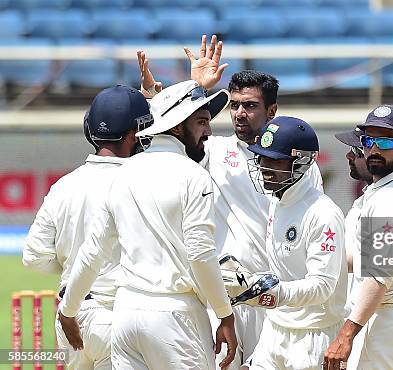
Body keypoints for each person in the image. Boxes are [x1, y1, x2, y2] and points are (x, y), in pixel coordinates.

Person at [138, 35, 324, 369]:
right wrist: (191, 87)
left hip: (278, 297)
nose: (239, 113)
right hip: (225, 298)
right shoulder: (213, 150)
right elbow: (166, 136)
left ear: (272, 111)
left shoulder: (302, 168)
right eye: (235, 105)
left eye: (250, 106)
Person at [57, 36, 238, 370]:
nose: (209, 132)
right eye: (201, 122)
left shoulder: (124, 173)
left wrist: (68, 309)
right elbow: (200, 254)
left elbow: (93, 249)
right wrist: (225, 315)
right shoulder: (193, 177)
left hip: (127, 315)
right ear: (178, 126)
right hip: (176, 317)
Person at [23, 86, 151, 370]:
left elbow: (33, 257)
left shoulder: (64, 185)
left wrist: (71, 263)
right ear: (135, 134)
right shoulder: (142, 183)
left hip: (71, 316)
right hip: (117, 314)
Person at [220, 116, 347, 370]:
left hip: (313, 335)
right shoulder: (277, 202)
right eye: (261, 158)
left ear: (301, 163)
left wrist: (274, 293)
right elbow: (284, 273)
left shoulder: (323, 213)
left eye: (274, 160)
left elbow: (323, 285)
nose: (264, 166)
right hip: (276, 328)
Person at [324, 105, 393, 370]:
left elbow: (380, 273)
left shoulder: (389, 199)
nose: (373, 149)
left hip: (386, 320)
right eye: (368, 141)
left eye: (385, 141)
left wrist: (346, 334)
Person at [333, 127, 373, 308]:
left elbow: (376, 264)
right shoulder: (366, 199)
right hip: (362, 314)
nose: (349, 156)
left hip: (377, 317)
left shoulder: (389, 200)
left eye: (357, 151)